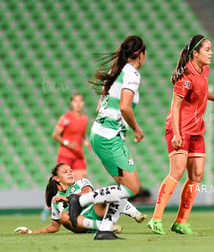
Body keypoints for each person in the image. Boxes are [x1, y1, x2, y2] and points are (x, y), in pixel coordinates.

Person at [147, 35, 214, 235]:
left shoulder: (205, 70)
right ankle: (156, 219)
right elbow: (175, 106)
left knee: (196, 175)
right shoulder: (185, 76)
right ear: (195, 53)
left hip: (196, 130)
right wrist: (177, 134)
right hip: (180, 129)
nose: (211, 53)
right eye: (207, 49)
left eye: (211, 49)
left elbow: (202, 93)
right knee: (176, 172)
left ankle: (181, 221)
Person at [68, 35, 147, 240]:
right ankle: (81, 200)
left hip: (102, 134)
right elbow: (125, 107)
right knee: (132, 187)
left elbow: (101, 103)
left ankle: (105, 228)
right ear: (141, 54)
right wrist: (137, 129)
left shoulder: (118, 71)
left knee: (122, 188)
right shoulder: (131, 73)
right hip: (109, 137)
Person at [15, 163, 145, 234]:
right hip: (79, 223)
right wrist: (31, 232)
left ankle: (135, 213)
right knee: (64, 215)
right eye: (65, 172)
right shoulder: (55, 200)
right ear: (57, 178)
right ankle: (105, 227)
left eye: (71, 171)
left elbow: (87, 197)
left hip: (94, 211)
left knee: (104, 193)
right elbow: (55, 227)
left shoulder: (82, 182)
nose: (70, 173)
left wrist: (66, 200)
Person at [52, 94, 91, 180]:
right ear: (71, 103)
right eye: (75, 101)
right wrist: (67, 143)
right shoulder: (66, 118)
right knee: (64, 182)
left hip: (78, 154)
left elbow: (82, 135)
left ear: (83, 103)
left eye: (80, 101)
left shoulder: (85, 119)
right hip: (65, 154)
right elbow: (55, 135)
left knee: (81, 179)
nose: (78, 104)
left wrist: (88, 143)